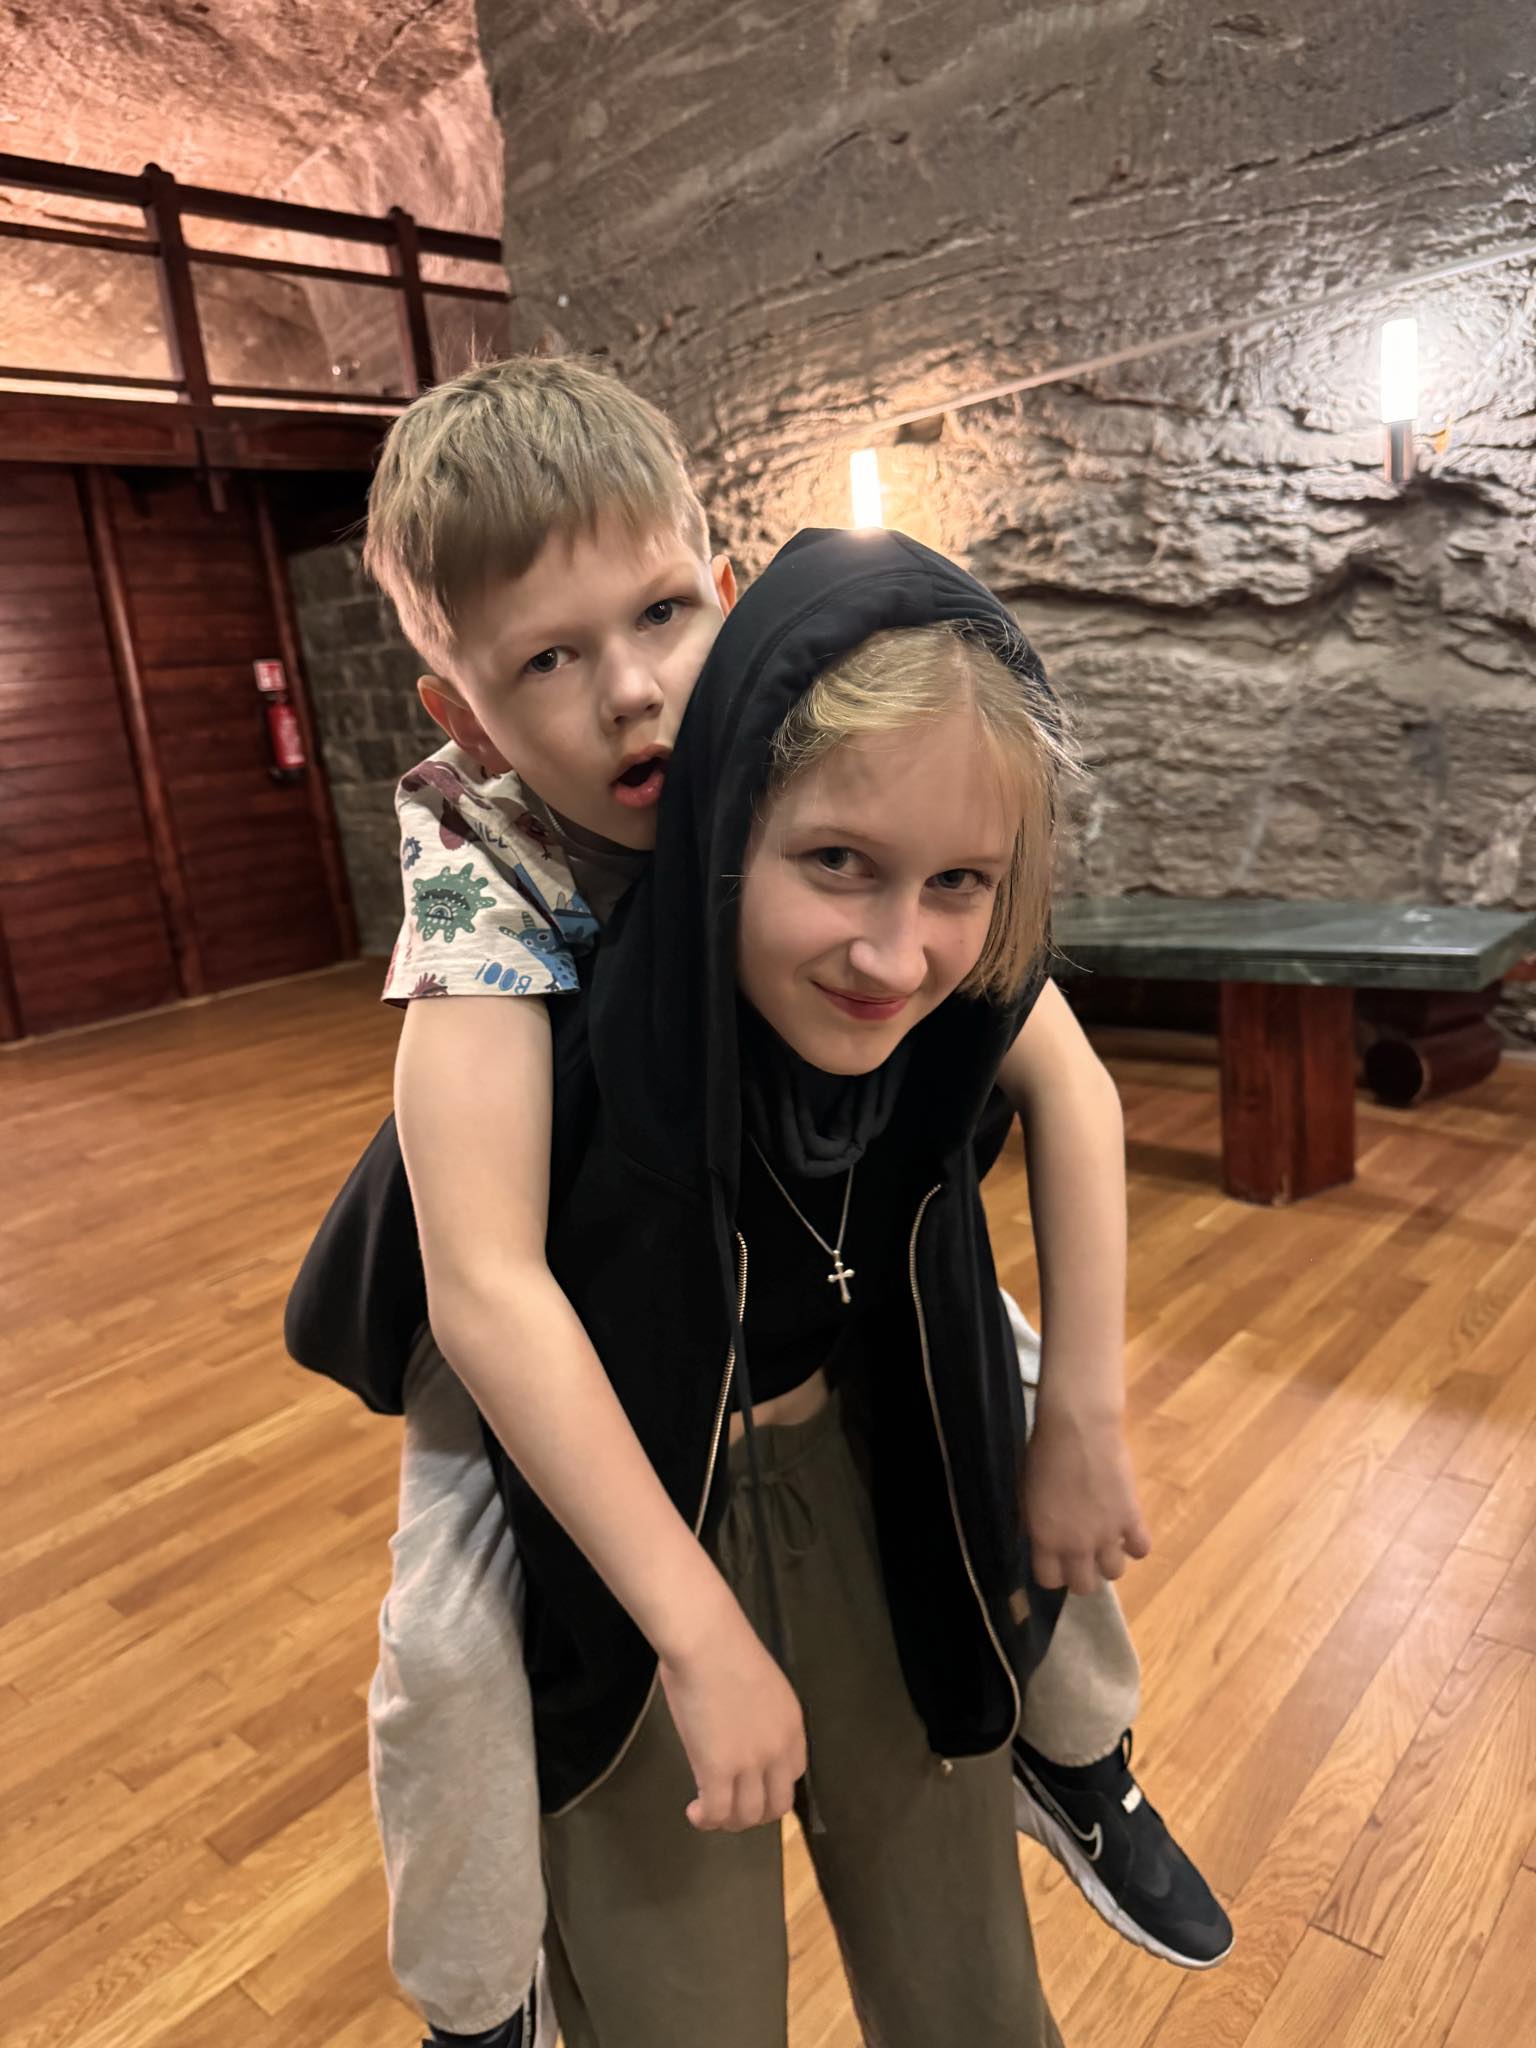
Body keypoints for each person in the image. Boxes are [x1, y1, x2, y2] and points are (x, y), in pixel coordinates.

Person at [285, 357, 1232, 2048]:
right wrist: (696, 1624)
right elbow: (488, 1289)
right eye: (548, 661)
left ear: (720, 590)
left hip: (813, 1334)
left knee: (1009, 1395)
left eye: (661, 615)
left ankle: (1080, 1753)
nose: (632, 693)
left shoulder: (782, 755)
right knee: (449, 1645)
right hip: (586, 1362)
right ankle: (477, 1989)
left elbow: (1056, 1066)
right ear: (464, 715)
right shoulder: (485, 890)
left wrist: (1089, 1411)